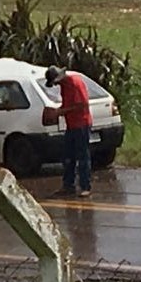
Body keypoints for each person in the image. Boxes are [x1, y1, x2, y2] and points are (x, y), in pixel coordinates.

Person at [45, 66, 93, 198]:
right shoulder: (64, 86)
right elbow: (68, 105)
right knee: (68, 156)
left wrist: (60, 112)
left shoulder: (74, 83)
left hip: (81, 123)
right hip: (71, 125)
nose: (56, 85)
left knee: (82, 156)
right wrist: (58, 111)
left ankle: (85, 186)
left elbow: (81, 104)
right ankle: (68, 185)